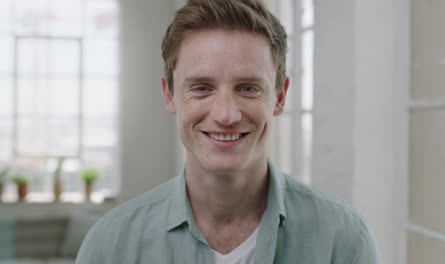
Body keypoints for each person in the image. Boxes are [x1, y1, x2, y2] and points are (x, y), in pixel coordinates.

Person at [76, 0, 380, 263]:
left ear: (280, 96)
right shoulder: (111, 244)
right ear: (169, 94)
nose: (226, 115)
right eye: (202, 88)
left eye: (248, 88)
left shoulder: (343, 238)